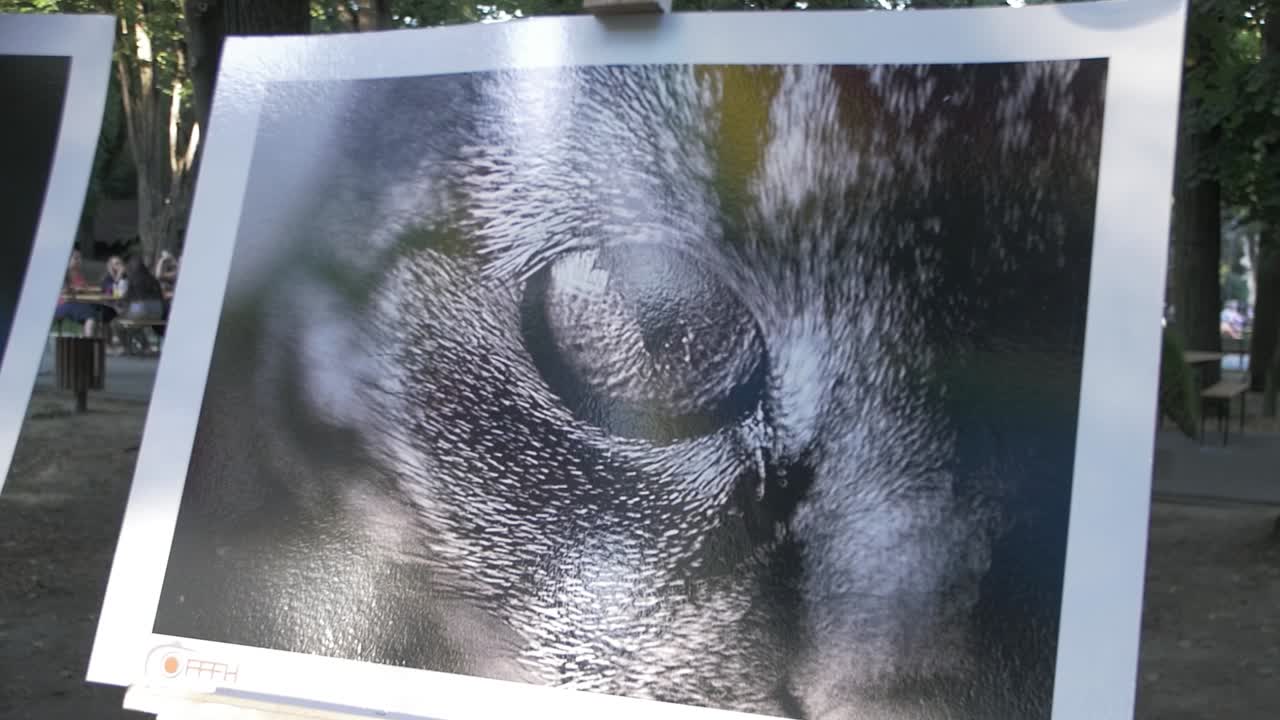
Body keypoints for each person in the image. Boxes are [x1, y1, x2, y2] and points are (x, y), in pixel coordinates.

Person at [52, 249, 104, 336]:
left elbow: (86, 290)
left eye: (80, 258)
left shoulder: (79, 275)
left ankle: (100, 340)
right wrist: (75, 290)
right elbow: (64, 293)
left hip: (77, 303)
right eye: (76, 258)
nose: (79, 261)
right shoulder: (63, 275)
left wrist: (87, 291)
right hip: (63, 304)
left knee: (100, 311)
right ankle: (88, 340)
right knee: (90, 315)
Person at [121, 255, 168, 337]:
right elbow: (161, 297)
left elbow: (126, 299)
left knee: (118, 320)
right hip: (158, 311)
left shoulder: (133, 279)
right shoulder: (153, 279)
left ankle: (138, 344)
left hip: (141, 310)